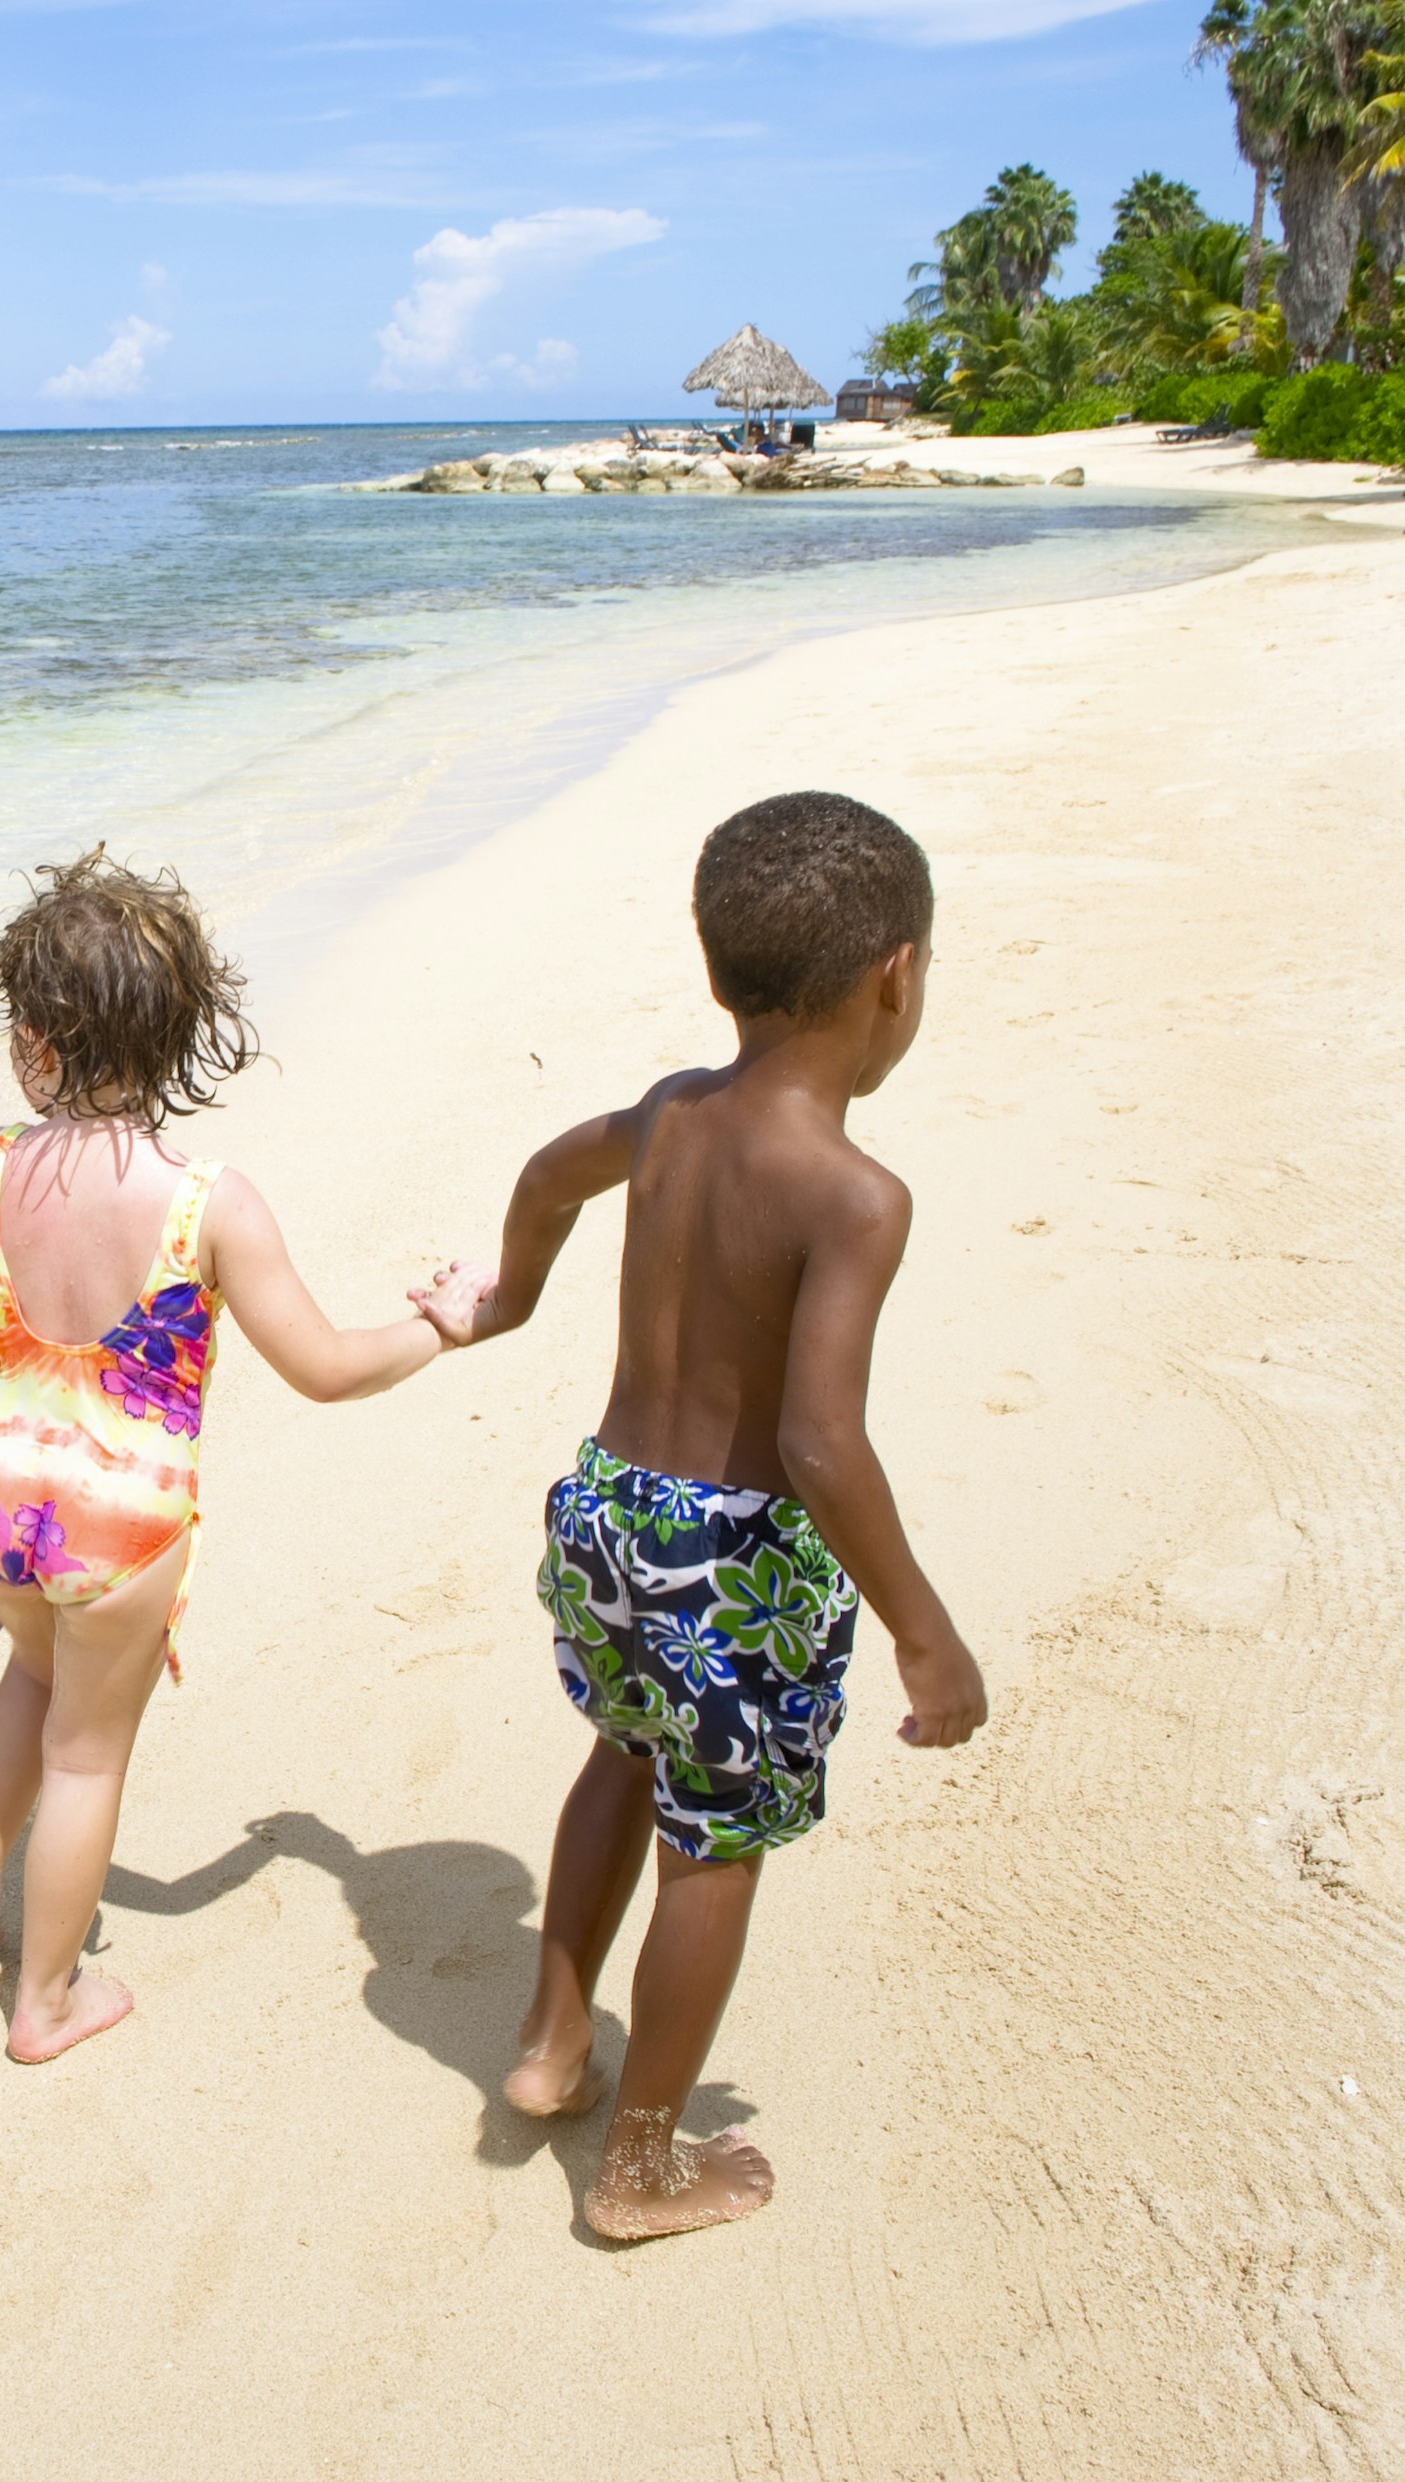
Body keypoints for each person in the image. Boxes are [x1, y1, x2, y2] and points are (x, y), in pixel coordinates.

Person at [415, 788, 988, 2241]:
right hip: (732, 1560)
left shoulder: (671, 1112)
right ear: (894, 977)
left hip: (604, 1511)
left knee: (622, 1747)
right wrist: (927, 1633)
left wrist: (510, 1296)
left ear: (717, 967)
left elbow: (553, 1172)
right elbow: (818, 1438)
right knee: (713, 1845)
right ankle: (642, 2164)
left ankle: (552, 2044)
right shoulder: (857, 1193)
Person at [0, 851, 472, 2063]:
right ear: (179, 1031)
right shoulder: (210, 1203)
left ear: (35, 1033)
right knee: (87, 1753)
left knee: (30, 1683)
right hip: (122, 1521)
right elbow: (324, 1364)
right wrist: (436, 1326)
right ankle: (44, 1999)